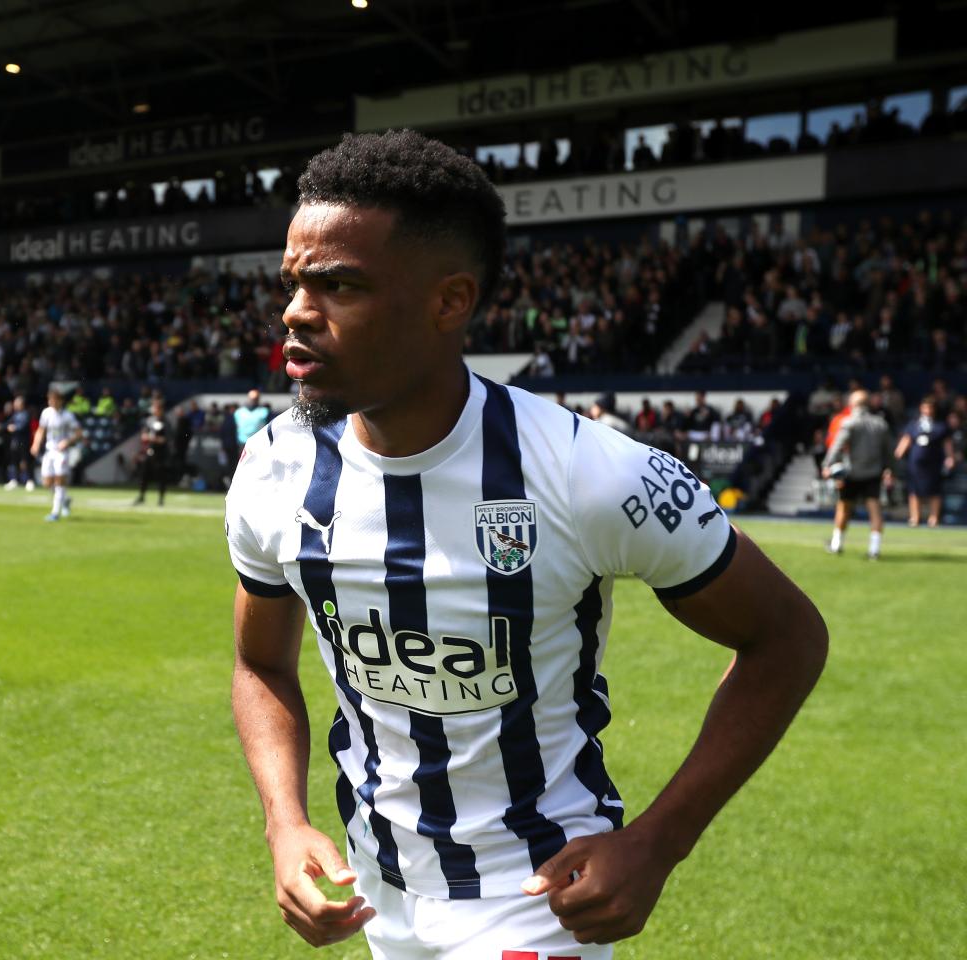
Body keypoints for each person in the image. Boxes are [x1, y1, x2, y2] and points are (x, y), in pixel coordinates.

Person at [225, 129, 828, 959]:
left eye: (340, 285)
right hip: (376, 891)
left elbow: (787, 636)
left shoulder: (589, 472)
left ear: (450, 301)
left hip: (538, 899)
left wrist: (659, 840)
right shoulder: (271, 467)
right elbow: (260, 665)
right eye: (294, 283)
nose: (296, 311)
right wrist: (283, 823)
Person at [822, 389, 895, 559]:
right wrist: (892, 470)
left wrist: (827, 465)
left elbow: (837, 446)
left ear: (852, 404)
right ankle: (874, 550)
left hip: (851, 474)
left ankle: (836, 545)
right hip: (873, 474)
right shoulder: (880, 423)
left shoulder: (849, 422)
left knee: (843, 509)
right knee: (875, 510)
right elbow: (889, 452)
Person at [894, 396, 956, 527]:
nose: (927, 410)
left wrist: (950, 458)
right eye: (925, 407)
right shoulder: (914, 425)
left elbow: (947, 444)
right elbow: (905, 441)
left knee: (935, 491)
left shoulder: (941, 426)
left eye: (930, 408)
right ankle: (915, 517)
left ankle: (933, 518)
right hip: (915, 464)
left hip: (934, 463)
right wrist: (897, 456)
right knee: (914, 491)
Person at [31, 389, 83, 522]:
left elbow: (78, 434)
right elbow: (41, 430)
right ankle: (65, 500)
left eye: (53, 399)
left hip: (61, 453)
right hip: (49, 451)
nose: (51, 402)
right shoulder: (46, 413)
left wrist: (67, 441)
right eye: (49, 399)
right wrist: (36, 444)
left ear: (60, 401)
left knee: (59, 481)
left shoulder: (68, 416)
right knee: (47, 482)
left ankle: (55, 512)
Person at [132, 397, 170, 506]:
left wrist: (153, 438)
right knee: (144, 474)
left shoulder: (165, 422)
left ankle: (161, 499)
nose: (154, 409)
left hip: (161, 453)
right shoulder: (150, 420)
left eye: (156, 407)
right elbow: (144, 434)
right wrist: (146, 437)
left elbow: (165, 439)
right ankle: (141, 496)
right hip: (150, 451)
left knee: (161, 476)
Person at [3, 396, 36, 491]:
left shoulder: (25, 414)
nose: (15, 405)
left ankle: (30, 481)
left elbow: (22, 426)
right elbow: (8, 423)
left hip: (24, 441)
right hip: (15, 441)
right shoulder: (15, 414)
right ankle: (14, 480)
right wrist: (0, 426)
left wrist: (14, 428)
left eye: (17, 403)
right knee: (14, 461)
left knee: (25, 461)